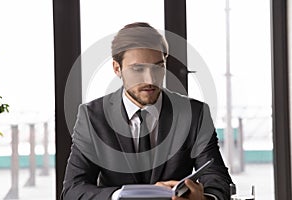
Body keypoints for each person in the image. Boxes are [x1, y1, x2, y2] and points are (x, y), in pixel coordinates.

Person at [61, 22, 233, 200]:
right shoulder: (92, 117)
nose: (150, 79)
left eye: (158, 67)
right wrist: (119, 196)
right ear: (117, 68)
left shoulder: (195, 114)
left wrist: (203, 199)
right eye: (138, 69)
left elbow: (219, 181)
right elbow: (72, 190)